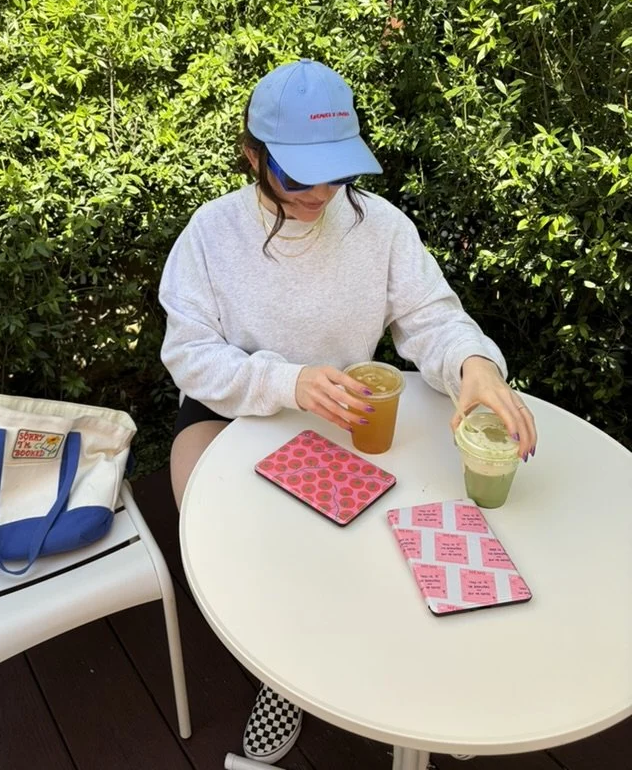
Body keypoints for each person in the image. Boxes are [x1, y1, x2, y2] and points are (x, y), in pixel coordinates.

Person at [158, 59, 537, 765]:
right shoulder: (211, 234)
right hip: (230, 415)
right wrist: (288, 382)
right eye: (298, 176)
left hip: (347, 412)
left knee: (387, 534)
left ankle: (391, 667)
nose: (320, 193)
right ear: (251, 155)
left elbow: (431, 318)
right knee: (246, 548)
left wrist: (473, 364)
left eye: (335, 173)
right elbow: (190, 356)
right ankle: (283, 674)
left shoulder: (380, 227)